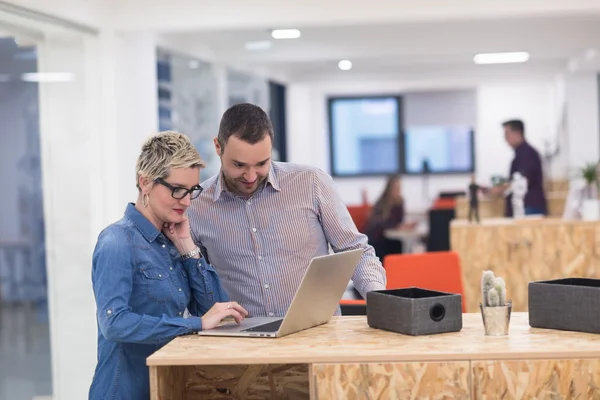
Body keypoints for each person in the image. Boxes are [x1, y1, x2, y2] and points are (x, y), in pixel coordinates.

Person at [88, 131, 248, 400]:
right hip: (123, 391)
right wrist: (194, 324)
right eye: (177, 190)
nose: (186, 201)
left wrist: (188, 247)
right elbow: (114, 323)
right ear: (145, 183)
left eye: (192, 191)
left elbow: (215, 311)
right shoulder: (116, 241)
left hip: (166, 386)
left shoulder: (173, 239)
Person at [187, 103, 386, 318]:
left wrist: (379, 299)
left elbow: (356, 252)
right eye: (239, 165)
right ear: (218, 147)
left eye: (262, 163)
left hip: (316, 333)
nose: (251, 176)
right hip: (242, 338)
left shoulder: (311, 183)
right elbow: (198, 285)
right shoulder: (196, 205)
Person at [493, 120, 547, 216]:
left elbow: (520, 181)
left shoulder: (526, 154)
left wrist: (501, 189)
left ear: (517, 133)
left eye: (506, 134)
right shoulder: (522, 154)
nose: (505, 139)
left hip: (528, 209)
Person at [364, 174, 416, 259]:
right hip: (377, 237)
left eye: (399, 188)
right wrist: (397, 226)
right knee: (395, 246)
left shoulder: (399, 202)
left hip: (389, 237)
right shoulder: (382, 202)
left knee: (399, 244)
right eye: (396, 188)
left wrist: (402, 225)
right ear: (389, 188)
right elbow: (379, 223)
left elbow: (398, 221)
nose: (398, 190)